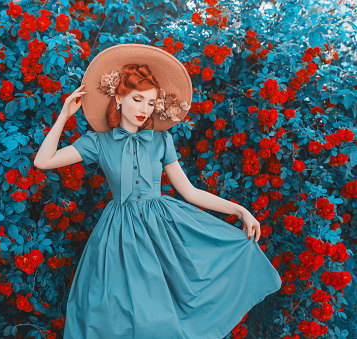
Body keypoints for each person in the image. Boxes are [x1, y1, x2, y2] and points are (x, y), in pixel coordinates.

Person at [34, 44, 282, 339]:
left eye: (151, 103)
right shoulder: (98, 142)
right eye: (137, 99)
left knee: (162, 315)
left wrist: (240, 210)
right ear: (119, 98)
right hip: (118, 236)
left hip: (161, 232)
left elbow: (189, 191)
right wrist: (64, 116)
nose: (144, 109)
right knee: (114, 314)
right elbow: (43, 161)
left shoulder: (160, 140)